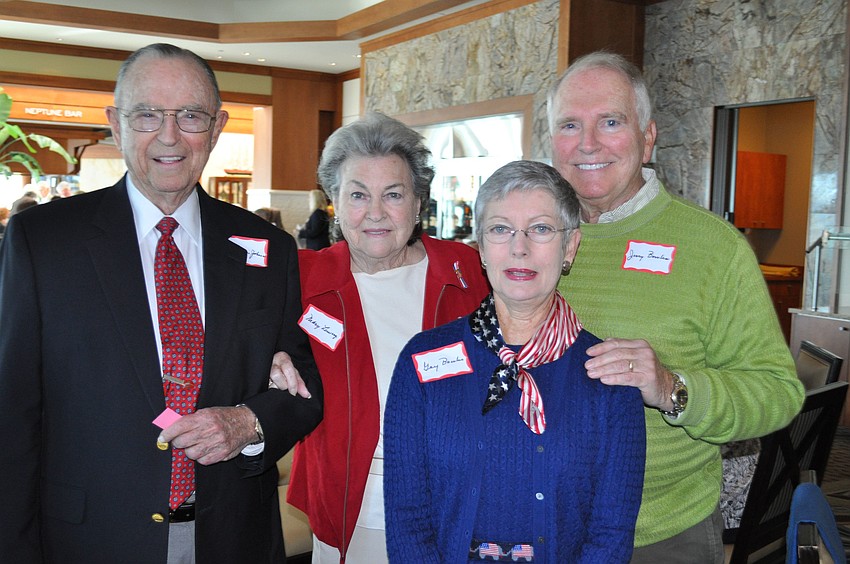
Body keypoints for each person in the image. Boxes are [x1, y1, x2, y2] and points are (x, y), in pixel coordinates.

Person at [0, 43, 323, 563]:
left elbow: (304, 382)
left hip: (232, 535)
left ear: (216, 128)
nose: (169, 136)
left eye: (190, 116)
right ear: (116, 124)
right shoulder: (43, 241)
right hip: (89, 539)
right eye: (147, 114)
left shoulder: (268, 248)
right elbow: (12, 410)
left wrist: (250, 422)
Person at [547, 51, 805, 562]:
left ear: (648, 138)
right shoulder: (524, 237)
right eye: (570, 125)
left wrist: (671, 388)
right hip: (532, 525)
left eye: (611, 122)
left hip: (659, 534)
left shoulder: (714, 247)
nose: (588, 143)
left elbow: (778, 393)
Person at [384, 160, 646, 562]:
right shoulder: (421, 361)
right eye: (500, 229)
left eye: (540, 229)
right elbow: (407, 518)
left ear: (570, 247)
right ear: (481, 247)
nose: (519, 248)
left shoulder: (609, 376)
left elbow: (611, 532)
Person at [283, 111, 490, 563]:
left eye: (393, 194)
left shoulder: (470, 273)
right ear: (335, 201)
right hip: (348, 510)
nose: (375, 213)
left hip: (459, 507)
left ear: (418, 203)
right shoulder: (301, 281)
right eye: (358, 195)